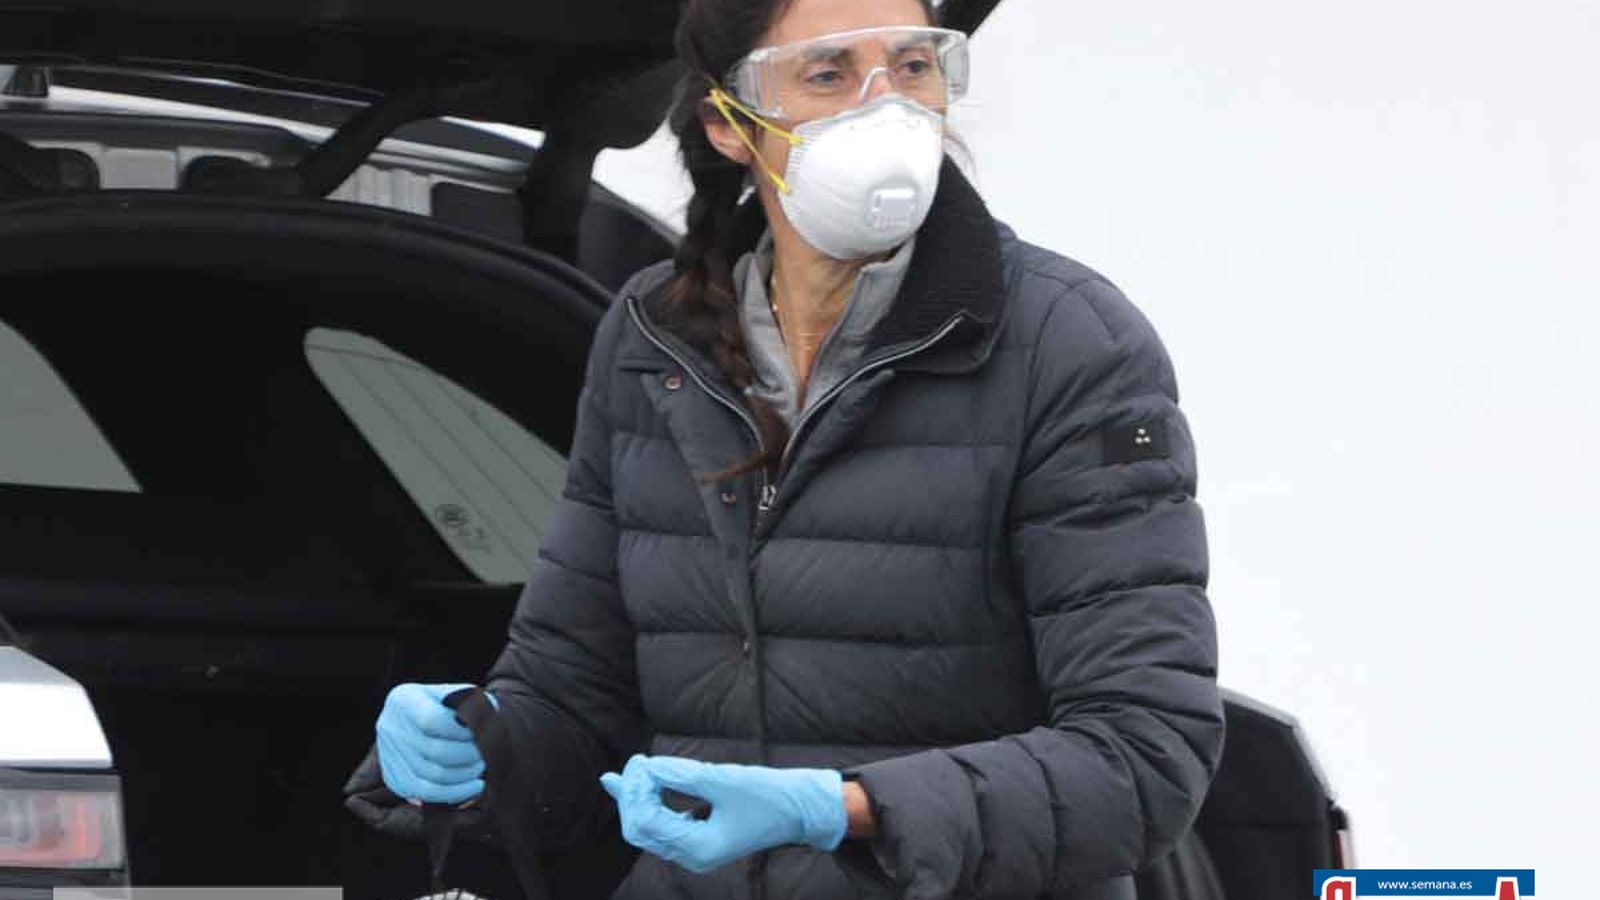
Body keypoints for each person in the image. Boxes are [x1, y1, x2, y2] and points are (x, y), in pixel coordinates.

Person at [370, 0, 1225, 898]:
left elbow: (1142, 757)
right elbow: (578, 690)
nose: (884, 104)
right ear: (728, 126)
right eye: (828, 74)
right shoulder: (651, 340)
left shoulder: (1067, 342)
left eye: (913, 66)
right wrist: (479, 737)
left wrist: (845, 807)